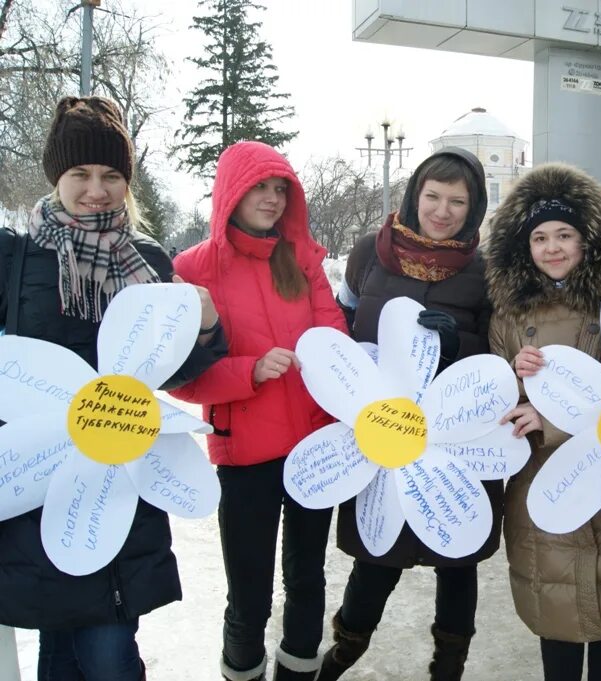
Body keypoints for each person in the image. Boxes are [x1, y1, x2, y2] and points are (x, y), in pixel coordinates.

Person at [0, 96, 225, 681]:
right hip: (42, 480)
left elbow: (173, 376)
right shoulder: (16, 258)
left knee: (106, 652)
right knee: (60, 649)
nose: (96, 189)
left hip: (124, 474)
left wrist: (202, 330)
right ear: (58, 177)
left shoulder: (146, 260)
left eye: (111, 176)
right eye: (81, 174)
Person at [169, 141, 349, 681]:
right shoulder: (193, 270)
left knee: (308, 581)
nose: (271, 199)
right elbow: (183, 378)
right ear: (231, 191)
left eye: (280, 189)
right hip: (245, 457)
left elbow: (334, 342)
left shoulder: (304, 261)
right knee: (248, 592)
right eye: (260, 187)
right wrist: (248, 371)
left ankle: (298, 673)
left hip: (315, 448)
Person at [321, 148, 492, 681]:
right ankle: (341, 654)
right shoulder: (369, 254)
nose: (442, 211)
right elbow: (343, 325)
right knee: (377, 553)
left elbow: (498, 352)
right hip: (384, 433)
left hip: (455, 437)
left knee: (456, 559)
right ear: (416, 194)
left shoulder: (487, 272)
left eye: (457, 201)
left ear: (474, 206)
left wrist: (456, 343)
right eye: (433, 196)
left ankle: (449, 667)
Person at [485, 163, 601, 681]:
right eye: (539, 237)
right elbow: (494, 409)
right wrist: (514, 379)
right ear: (524, 246)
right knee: (556, 625)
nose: (552, 247)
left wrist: (553, 417)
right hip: (542, 493)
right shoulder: (508, 316)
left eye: (564, 234)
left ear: (589, 240)